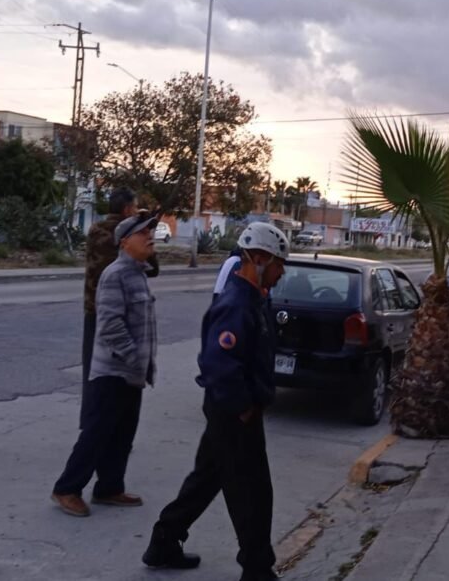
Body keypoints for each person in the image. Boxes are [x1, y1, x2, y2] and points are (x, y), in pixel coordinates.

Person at [143, 222, 290, 581]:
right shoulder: (237, 304)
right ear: (258, 258)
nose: (282, 271)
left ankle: (163, 541)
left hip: (233, 409)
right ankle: (257, 570)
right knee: (252, 494)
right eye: (278, 264)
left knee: (207, 479)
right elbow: (218, 364)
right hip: (233, 412)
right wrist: (243, 407)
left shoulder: (254, 300)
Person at [51, 214, 160, 517]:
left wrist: (142, 366)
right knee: (97, 433)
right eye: (142, 233)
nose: (150, 236)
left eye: (151, 231)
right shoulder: (115, 275)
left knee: (122, 434)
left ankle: (109, 488)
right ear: (124, 242)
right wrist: (134, 357)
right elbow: (110, 325)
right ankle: (66, 488)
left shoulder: (138, 272)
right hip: (113, 370)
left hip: (131, 373)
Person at [82, 188, 159, 426]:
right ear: (127, 209)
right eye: (135, 208)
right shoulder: (128, 235)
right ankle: (109, 428)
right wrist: (146, 228)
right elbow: (153, 267)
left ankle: (90, 420)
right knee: (119, 372)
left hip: (93, 307)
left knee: (94, 370)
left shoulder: (95, 230)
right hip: (122, 311)